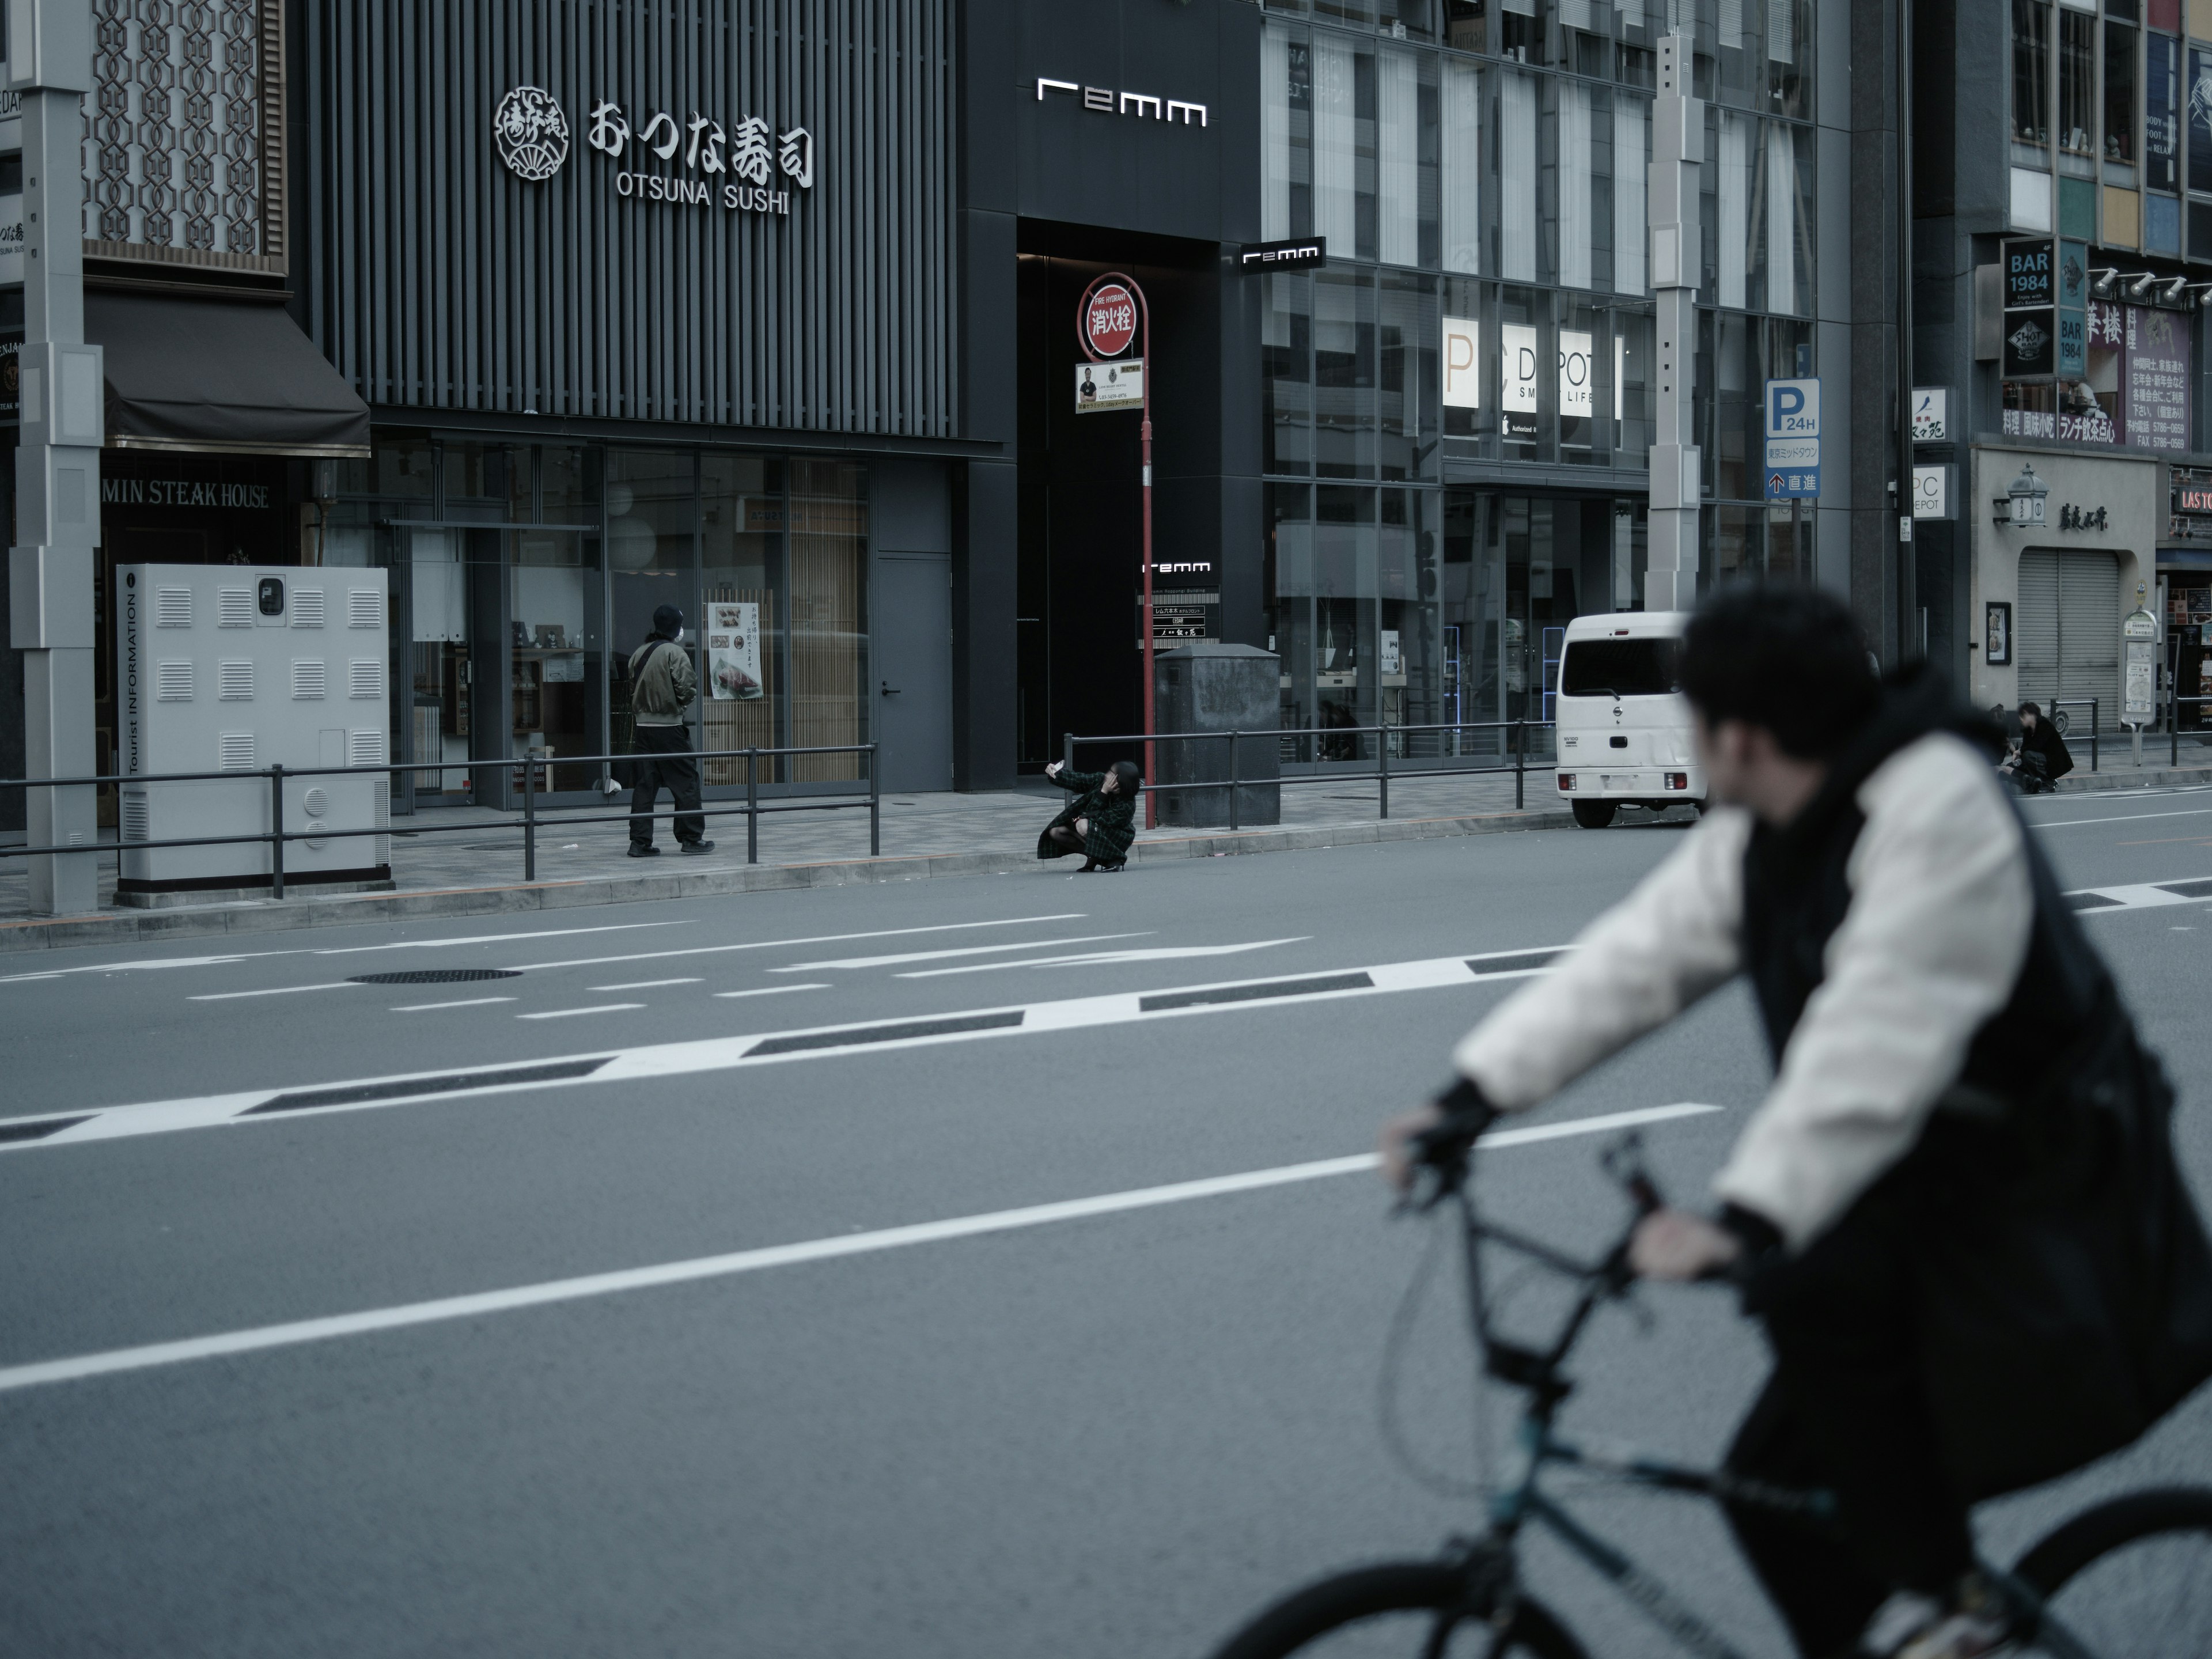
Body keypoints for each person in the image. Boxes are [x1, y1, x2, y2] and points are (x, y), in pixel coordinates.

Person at [1381, 585, 2212, 1659]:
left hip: (2041, 1215)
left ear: (1739, 735)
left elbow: (1874, 1041)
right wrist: (1469, 1100)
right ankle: (1920, 1609)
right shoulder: (1783, 818)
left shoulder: (1936, 809)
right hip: (1918, 1191)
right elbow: (1644, 956)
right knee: (1769, 1486)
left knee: (1821, 1342)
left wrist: (1747, 1219)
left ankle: (1948, 1611)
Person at [627, 604, 714, 857]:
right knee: (686, 782)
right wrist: (677, 707)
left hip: (643, 728)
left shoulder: (639, 653)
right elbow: (688, 688)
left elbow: (631, 688)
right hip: (670, 728)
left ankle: (639, 842)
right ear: (676, 627)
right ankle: (690, 838)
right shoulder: (675, 653)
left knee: (645, 786)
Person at [1037, 759, 1139, 872]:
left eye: (1112, 774)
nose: (1107, 775)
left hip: (1117, 836)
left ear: (1120, 780)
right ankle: (1096, 857)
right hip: (1096, 830)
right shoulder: (1100, 780)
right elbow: (1078, 780)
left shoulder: (1127, 803)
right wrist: (1056, 772)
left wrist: (1103, 792)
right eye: (1109, 771)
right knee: (1056, 832)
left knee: (1084, 825)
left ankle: (1115, 858)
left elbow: (1094, 815)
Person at [2016, 700, 2073, 789]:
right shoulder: (2028, 729)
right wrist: (2017, 752)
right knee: (2013, 765)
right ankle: (2034, 781)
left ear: (2031, 714)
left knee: (2028, 756)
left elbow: (2036, 746)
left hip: (2054, 761)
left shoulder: (2044, 724)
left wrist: (2020, 752)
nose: (2021, 720)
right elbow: (2025, 746)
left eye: (2023, 717)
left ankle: (2048, 782)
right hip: (2041, 759)